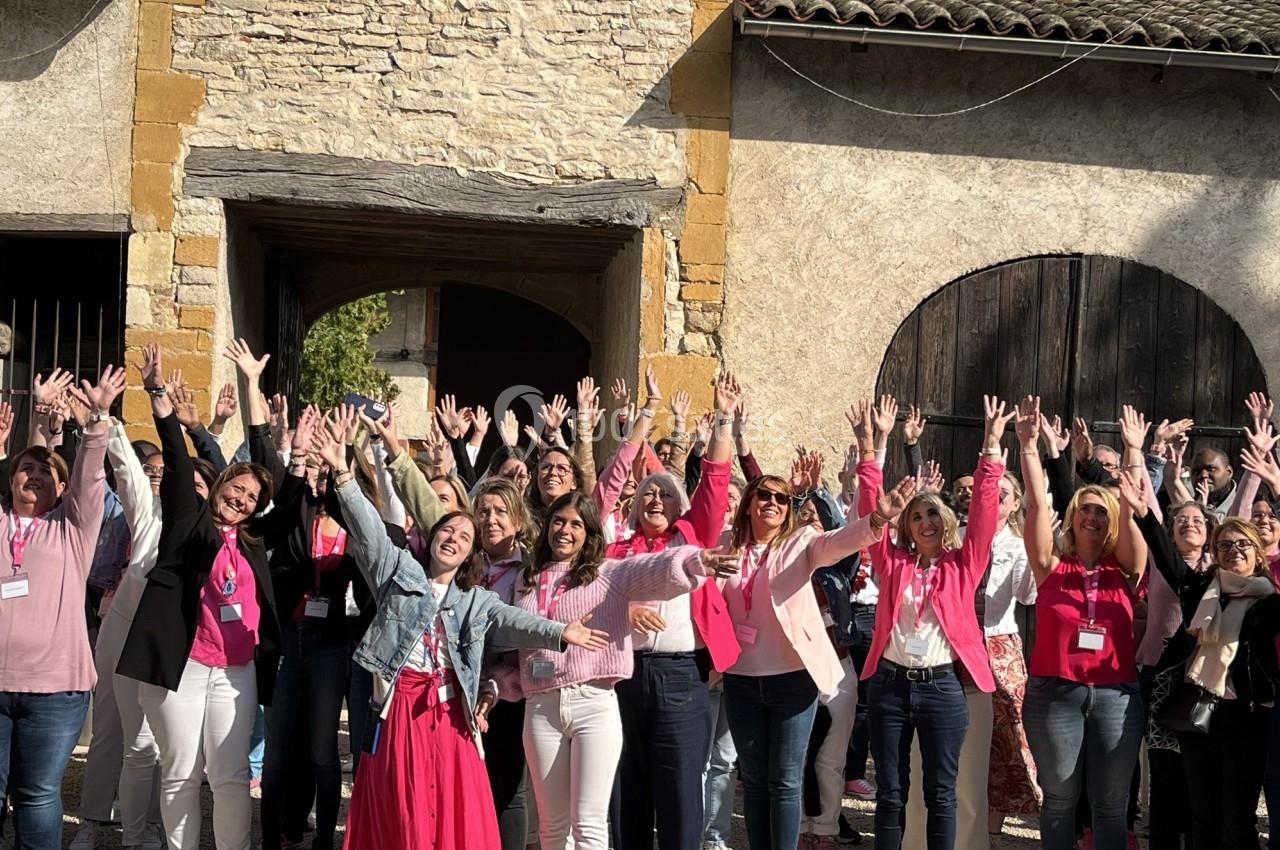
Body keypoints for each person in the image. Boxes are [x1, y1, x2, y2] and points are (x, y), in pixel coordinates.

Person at [309, 423, 606, 850]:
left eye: (465, 536)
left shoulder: (476, 599)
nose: (454, 537)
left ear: (471, 554)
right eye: (447, 531)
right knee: (406, 806)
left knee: (451, 807)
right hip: (401, 705)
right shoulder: (399, 572)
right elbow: (371, 531)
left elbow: (515, 620)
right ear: (433, 538)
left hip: (452, 709)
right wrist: (342, 474)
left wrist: (561, 631)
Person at [118, 341, 304, 850]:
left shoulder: (254, 540)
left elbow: (290, 506)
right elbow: (179, 466)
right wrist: (158, 397)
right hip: (185, 664)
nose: (240, 499)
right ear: (220, 484)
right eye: (236, 488)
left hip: (236, 670)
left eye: (250, 498)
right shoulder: (188, 521)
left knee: (231, 773)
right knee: (181, 770)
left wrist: (295, 453)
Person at [509, 490, 737, 850]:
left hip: (592, 703)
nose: (565, 530)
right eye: (558, 521)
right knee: (553, 826)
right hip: (541, 706)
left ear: (589, 534)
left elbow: (653, 568)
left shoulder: (607, 574)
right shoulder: (526, 579)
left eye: (576, 524)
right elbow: (512, 634)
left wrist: (695, 560)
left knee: (589, 825)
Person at [720, 417, 906, 850]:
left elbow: (841, 541)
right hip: (740, 679)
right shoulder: (726, 544)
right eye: (763, 495)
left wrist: (878, 518)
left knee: (786, 779)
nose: (772, 502)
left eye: (781, 498)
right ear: (748, 504)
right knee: (757, 780)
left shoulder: (801, 542)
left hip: (792, 679)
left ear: (789, 508)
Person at [855, 395, 1010, 850]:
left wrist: (991, 446)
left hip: (941, 688)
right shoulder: (893, 562)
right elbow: (871, 514)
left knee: (941, 794)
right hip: (889, 686)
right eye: (916, 516)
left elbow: (983, 514)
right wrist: (870, 450)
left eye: (931, 515)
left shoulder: (964, 564)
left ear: (944, 522)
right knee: (890, 792)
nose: (924, 522)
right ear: (907, 526)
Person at [611, 371, 741, 850]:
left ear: (680, 506)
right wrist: (623, 615)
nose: (656, 498)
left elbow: (715, 483)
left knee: (682, 790)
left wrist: (723, 419)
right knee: (628, 788)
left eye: (666, 492)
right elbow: (592, 598)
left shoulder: (691, 537)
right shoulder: (615, 549)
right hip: (623, 675)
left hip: (681, 676)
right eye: (648, 491)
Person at [1016, 397, 1148, 850]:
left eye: (1100, 510)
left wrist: (1134, 452)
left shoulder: (1124, 568)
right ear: (1072, 517)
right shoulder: (1051, 566)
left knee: (1111, 805)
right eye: (1084, 509)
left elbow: (1131, 509)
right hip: (1055, 693)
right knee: (1059, 800)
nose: (1092, 516)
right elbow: (1037, 505)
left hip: (1116, 696)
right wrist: (1028, 447)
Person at [0, 365, 123, 849]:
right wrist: (33, 421)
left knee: (36, 795)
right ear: (10, 481)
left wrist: (96, 420)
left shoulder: (73, 528)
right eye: (25, 470)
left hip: (54, 692)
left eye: (46, 473)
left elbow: (91, 478)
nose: (34, 476)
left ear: (62, 489)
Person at [1125, 468, 1280, 849]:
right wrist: (1144, 513)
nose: (1234, 550)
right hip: (1200, 713)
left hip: (1248, 716)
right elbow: (1167, 557)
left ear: (1257, 553)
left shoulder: (1270, 601)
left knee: (1238, 819)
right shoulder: (1200, 591)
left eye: (1242, 544)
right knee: (1203, 816)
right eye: (1225, 544)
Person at [473, 476, 540, 850]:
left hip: (510, 693)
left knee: (509, 789)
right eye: (484, 511)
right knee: (469, 784)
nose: (491, 519)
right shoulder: (465, 562)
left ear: (518, 519)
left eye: (501, 511)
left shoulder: (531, 569)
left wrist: (496, 682)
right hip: (464, 689)